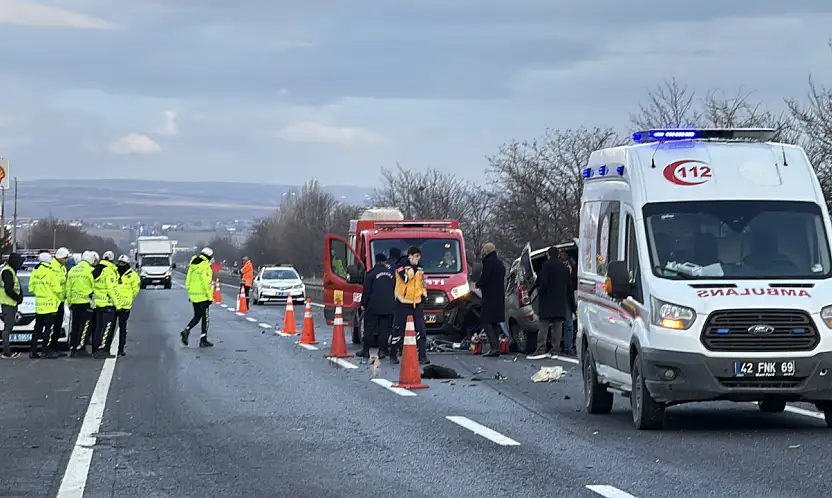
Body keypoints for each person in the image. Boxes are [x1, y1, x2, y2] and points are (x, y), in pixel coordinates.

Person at [529, 246, 575, 360]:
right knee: (557, 326)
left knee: (544, 325)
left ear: (548, 255)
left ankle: (541, 348)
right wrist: (571, 303)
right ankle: (555, 349)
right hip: (560, 301)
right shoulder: (564, 268)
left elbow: (541, 282)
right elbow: (569, 287)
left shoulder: (546, 266)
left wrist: (539, 292)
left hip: (547, 301)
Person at [391, 246, 429, 365]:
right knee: (398, 330)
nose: (418, 259)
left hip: (416, 303)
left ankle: (422, 356)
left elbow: (422, 282)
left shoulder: (420, 268)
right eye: (416, 256)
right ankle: (393, 353)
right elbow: (406, 279)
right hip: (403, 302)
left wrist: (424, 295)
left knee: (421, 330)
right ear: (410, 256)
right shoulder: (400, 266)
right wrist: (413, 267)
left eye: (419, 256)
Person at [357, 253, 395, 359]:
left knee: (369, 329)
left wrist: (363, 303)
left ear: (376, 261)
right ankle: (382, 351)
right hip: (388, 306)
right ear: (385, 261)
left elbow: (367, 291)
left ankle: (365, 351)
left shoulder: (371, 273)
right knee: (385, 330)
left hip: (373, 307)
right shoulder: (392, 274)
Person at [28, 252, 62, 359]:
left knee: (37, 330)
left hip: (39, 306)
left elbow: (31, 288)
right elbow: (57, 289)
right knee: (48, 329)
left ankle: (33, 351)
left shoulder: (35, 271)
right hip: (51, 305)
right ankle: (45, 351)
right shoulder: (50, 272)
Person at [475, 243, 506, 358]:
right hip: (499, 296)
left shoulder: (488, 263)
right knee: (495, 322)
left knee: (486, 321)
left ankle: (494, 348)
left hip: (489, 297)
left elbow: (485, 278)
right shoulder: (500, 263)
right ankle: (496, 346)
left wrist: (478, 284)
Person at [180, 247, 214, 348]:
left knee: (197, 316)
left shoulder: (193, 265)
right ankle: (203, 339)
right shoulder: (205, 266)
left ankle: (187, 330)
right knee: (205, 318)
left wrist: (191, 294)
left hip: (194, 296)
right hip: (203, 297)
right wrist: (209, 297)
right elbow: (205, 283)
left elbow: (188, 282)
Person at [91, 250, 121, 359]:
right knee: (107, 327)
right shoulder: (109, 271)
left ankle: (96, 348)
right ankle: (103, 349)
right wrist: (118, 305)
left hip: (98, 303)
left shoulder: (96, 270)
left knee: (98, 327)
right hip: (107, 303)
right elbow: (112, 289)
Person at [66, 250, 96, 357]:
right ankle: (81, 348)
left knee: (75, 326)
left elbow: (68, 288)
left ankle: (73, 347)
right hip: (86, 303)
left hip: (74, 303)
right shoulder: (92, 271)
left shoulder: (72, 270)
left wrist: (69, 302)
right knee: (85, 326)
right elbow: (94, 288)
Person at [46, 247, 70, 357]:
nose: (66, 260)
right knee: (53, 326)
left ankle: (55, 347)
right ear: (60, 257)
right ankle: (50, 348)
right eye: (65, 258)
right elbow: (54, 285)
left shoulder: (62, 268)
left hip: (61, 301)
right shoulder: (53, 267)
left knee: (58, 325)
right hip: (54, 301)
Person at [115, 254, 140, 356]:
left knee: (122, 327)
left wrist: (128, 298)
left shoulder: (133, 275)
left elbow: (136, 289)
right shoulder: (113, 273)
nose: (121, 265)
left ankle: (121, 348)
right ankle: (106, 347)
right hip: (113, 303)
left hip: (125, 305)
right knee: (111, 327)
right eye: (119, 263)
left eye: (123, 263)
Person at [0, 253, 25, 359]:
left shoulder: (10, 270)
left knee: (8, 327)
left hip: (10, 303)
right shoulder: (7, 271)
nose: (20, 265)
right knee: (8, 328)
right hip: (8, 303)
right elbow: (8, 289)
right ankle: (6, 352)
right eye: (19, 262)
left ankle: (7, 350)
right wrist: (18, 298)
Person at [559, 250, 577, 356]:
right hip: (566, 298)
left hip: (564, 298)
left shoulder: (571, 271)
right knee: (567, 324)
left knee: (564, 324)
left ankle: (565, 346)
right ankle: (568, 346)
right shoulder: (565, 271)